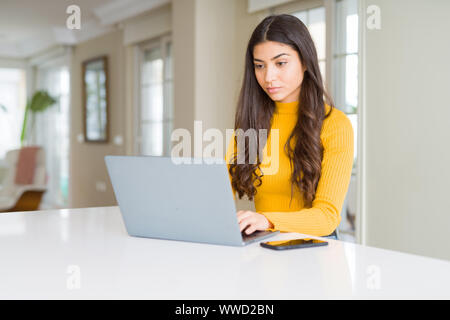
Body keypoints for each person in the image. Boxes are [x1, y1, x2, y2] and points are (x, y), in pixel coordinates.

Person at [225, 14, 354, 239]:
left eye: (280, 63)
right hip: (264, 245)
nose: (268, 77)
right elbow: (218, 191)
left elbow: (326, 217)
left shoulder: (335, 124)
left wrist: (266, 220)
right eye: (259, 66)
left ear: (305, 61)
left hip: (314, 248)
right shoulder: (251, 123)